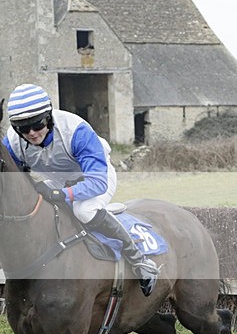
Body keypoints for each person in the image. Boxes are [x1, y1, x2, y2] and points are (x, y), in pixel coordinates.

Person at [3, 84, 160, 296]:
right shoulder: (13, 141)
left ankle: (140, 261)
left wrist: (62, 194)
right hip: (58, 180)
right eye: (23, 128)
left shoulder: (76, 131)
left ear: (48, 116)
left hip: (95, 176)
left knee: (83, 210)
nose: (31, 133)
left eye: (37, 124)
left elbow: (97, 183)